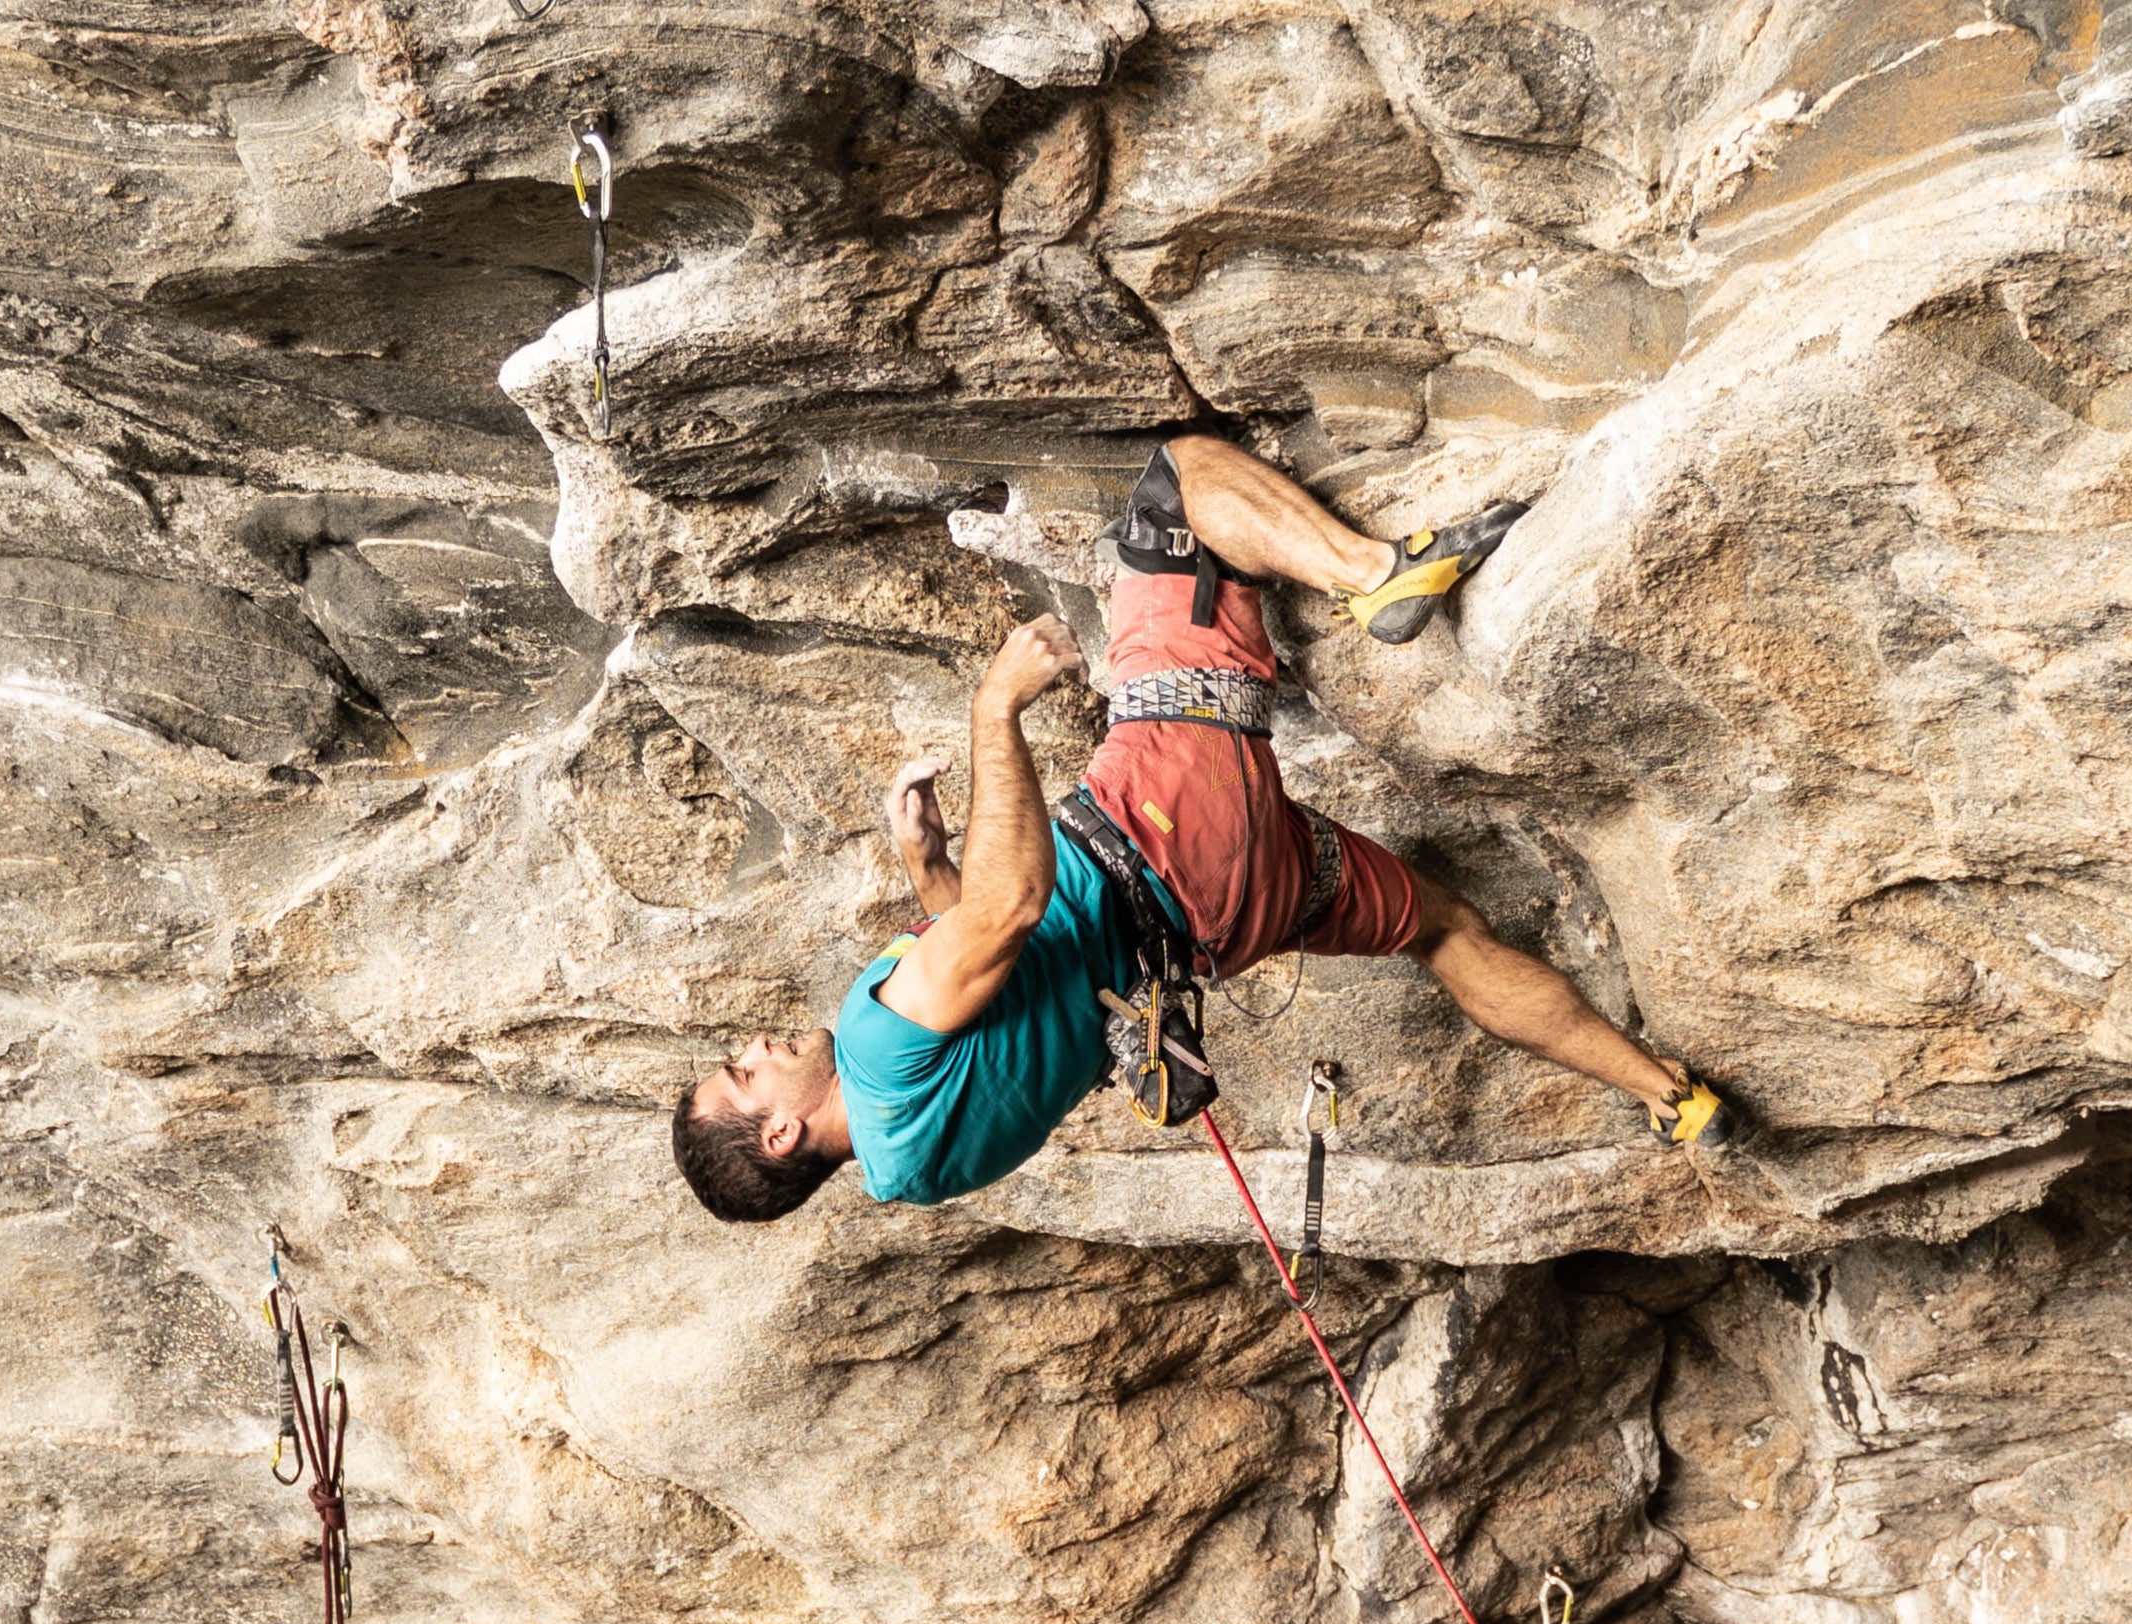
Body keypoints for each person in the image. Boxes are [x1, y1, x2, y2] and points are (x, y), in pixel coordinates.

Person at [673, 437, 1737, 1223]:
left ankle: (1671, 1098)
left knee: (1442, 928)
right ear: (777, 1133)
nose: (758, 1049)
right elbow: (1014, 913)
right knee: (1172, 495)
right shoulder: (868, 1045)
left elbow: (1008, 982)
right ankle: (1377, 574)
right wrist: (997, 709)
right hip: (1164, 816)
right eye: (745, 1072)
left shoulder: (919, 1168)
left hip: (1228, 920)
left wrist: (930, 865)